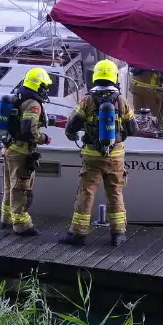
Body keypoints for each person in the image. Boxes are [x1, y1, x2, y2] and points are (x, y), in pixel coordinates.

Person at [59, 59, 136, 247]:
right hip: (115, 156)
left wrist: (73, 135)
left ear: (95, 77)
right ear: (114, 77)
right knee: (115, 193)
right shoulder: (121, 101)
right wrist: (119, 138)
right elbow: (133, 129)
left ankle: (78, 234)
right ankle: (118, 234)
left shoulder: (86, 100)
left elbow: (71, 127)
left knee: (86, 193)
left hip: (92, 156)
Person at [0, 67, 53, 237]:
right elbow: (29, 130)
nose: (46, 90)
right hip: (22, 152)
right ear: (38, 85)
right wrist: (43, 138)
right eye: (44, 86)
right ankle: (21, 225)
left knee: (10, 186)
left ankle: (7, 218)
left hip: (9, 147)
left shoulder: (17, 96)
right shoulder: (33, 103)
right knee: (21, 188)